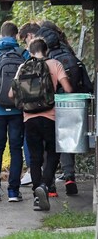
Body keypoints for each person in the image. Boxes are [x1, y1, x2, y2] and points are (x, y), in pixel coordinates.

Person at [8, 38, 73, 211]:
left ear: (30, 52)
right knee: (53, 152)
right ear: (47, 50)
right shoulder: (55, 64)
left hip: (29, 119)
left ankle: (38, 197)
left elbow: (10, 94)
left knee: (35, 158)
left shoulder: (23, 67)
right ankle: (45, 185)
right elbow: (68, 89)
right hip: (50, 117)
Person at [36, 21, 88, 196]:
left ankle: (50, 186)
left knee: (48, 144)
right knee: (67, 140)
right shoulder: (69, 53)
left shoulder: (46, 60)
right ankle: (69, 176)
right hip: (70, 104)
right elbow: (84, 84)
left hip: (48, 106)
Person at [0, 21, 29, 202]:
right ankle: (13, 191)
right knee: (16, 148)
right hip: (17, 109)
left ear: (0, 35)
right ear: (16, 36)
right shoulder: (23, 54)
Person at [17, 22, 41, 187]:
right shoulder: (50, 57)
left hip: (31, 108)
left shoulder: (27, 58)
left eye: (25, 40)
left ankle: (33, 173)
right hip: (49, 107)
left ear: (30, 37)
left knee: (30, 140)